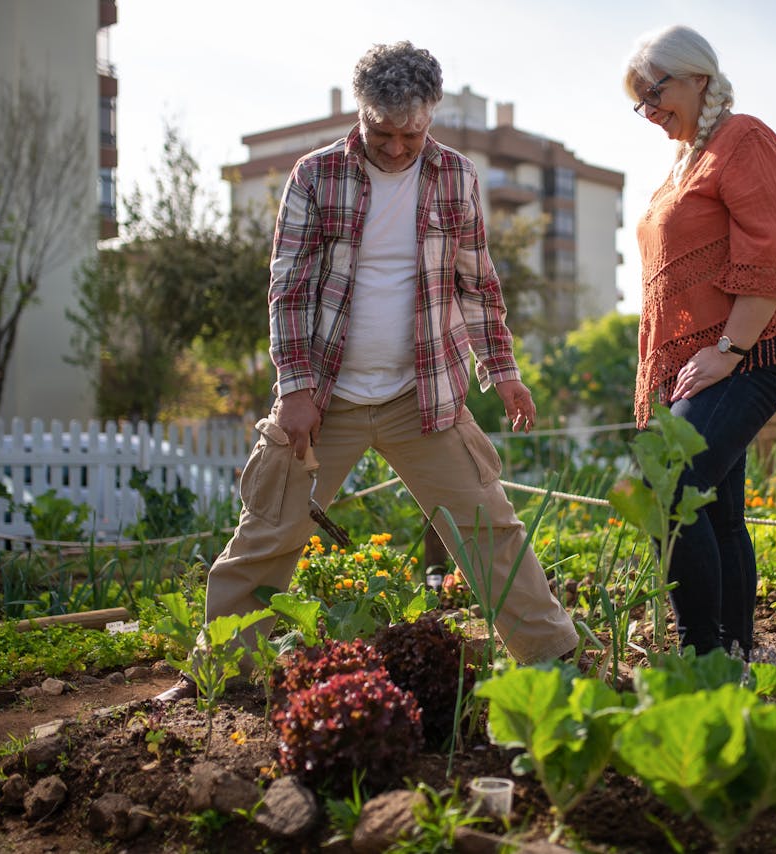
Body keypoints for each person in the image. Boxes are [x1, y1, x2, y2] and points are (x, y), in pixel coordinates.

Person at [155, 41, 579, 703]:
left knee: (487, 528)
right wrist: (295, 390)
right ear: (361, 114)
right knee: (270, 528)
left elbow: (476, 284)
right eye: (382, 132)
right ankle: (216, 674)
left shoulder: (455, 176)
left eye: (411, 133)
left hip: (423, 396)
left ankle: (550, 657)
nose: (396, 147)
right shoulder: (315, 176)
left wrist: (504, 370)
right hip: (326, 398)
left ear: (430, 117)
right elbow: (288, 290)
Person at [623, 25, 776, 660]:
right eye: (639, 101)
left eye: (655, 91)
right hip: (700, 365)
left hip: (747, 355)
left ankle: (705, 657)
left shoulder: (741, 139)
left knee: (666, 488)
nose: (648, 111)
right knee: (717, 515)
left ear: (698, 75)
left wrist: (727, 350)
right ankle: (738, 656)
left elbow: (769, 248)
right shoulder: (685, 161)